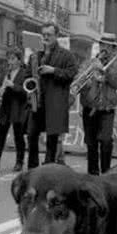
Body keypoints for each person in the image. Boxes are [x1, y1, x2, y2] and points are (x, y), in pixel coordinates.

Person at [26, 22, 78, 169]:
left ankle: (49, 167)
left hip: (54, 102)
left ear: (57, 36)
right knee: (31, 135)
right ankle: (32, 167)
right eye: (44, 34)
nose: (46, 37)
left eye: (49, 34)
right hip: (37, 101)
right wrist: (29, 85)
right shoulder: (34, 55)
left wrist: (53, 70)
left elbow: (72, 74)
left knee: (52, 138)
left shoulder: (67, 55)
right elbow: (27, 75)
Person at [79, 33, 117, 175]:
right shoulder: (89, 62)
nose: (104, 48)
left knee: (105, 141)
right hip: (90, 107)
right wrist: (88, 76)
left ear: (113, 48)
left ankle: (106, 173)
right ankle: (92, 174)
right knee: (91, 143)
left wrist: (105, 72)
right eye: (102, 45)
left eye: (107, 46)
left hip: (107, 108)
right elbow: (79, 81)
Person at [0, 49, 28, 173]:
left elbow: (26, 92)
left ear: (19, 60)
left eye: (13, 59)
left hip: (17, 108)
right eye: (9, 59)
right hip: (5, 108)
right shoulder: (5, 73)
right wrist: (0, 90)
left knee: (18, 137)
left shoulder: (25, 73)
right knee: (0, 136)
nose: (10, 61)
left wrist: (12, 86)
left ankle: (19, 161)